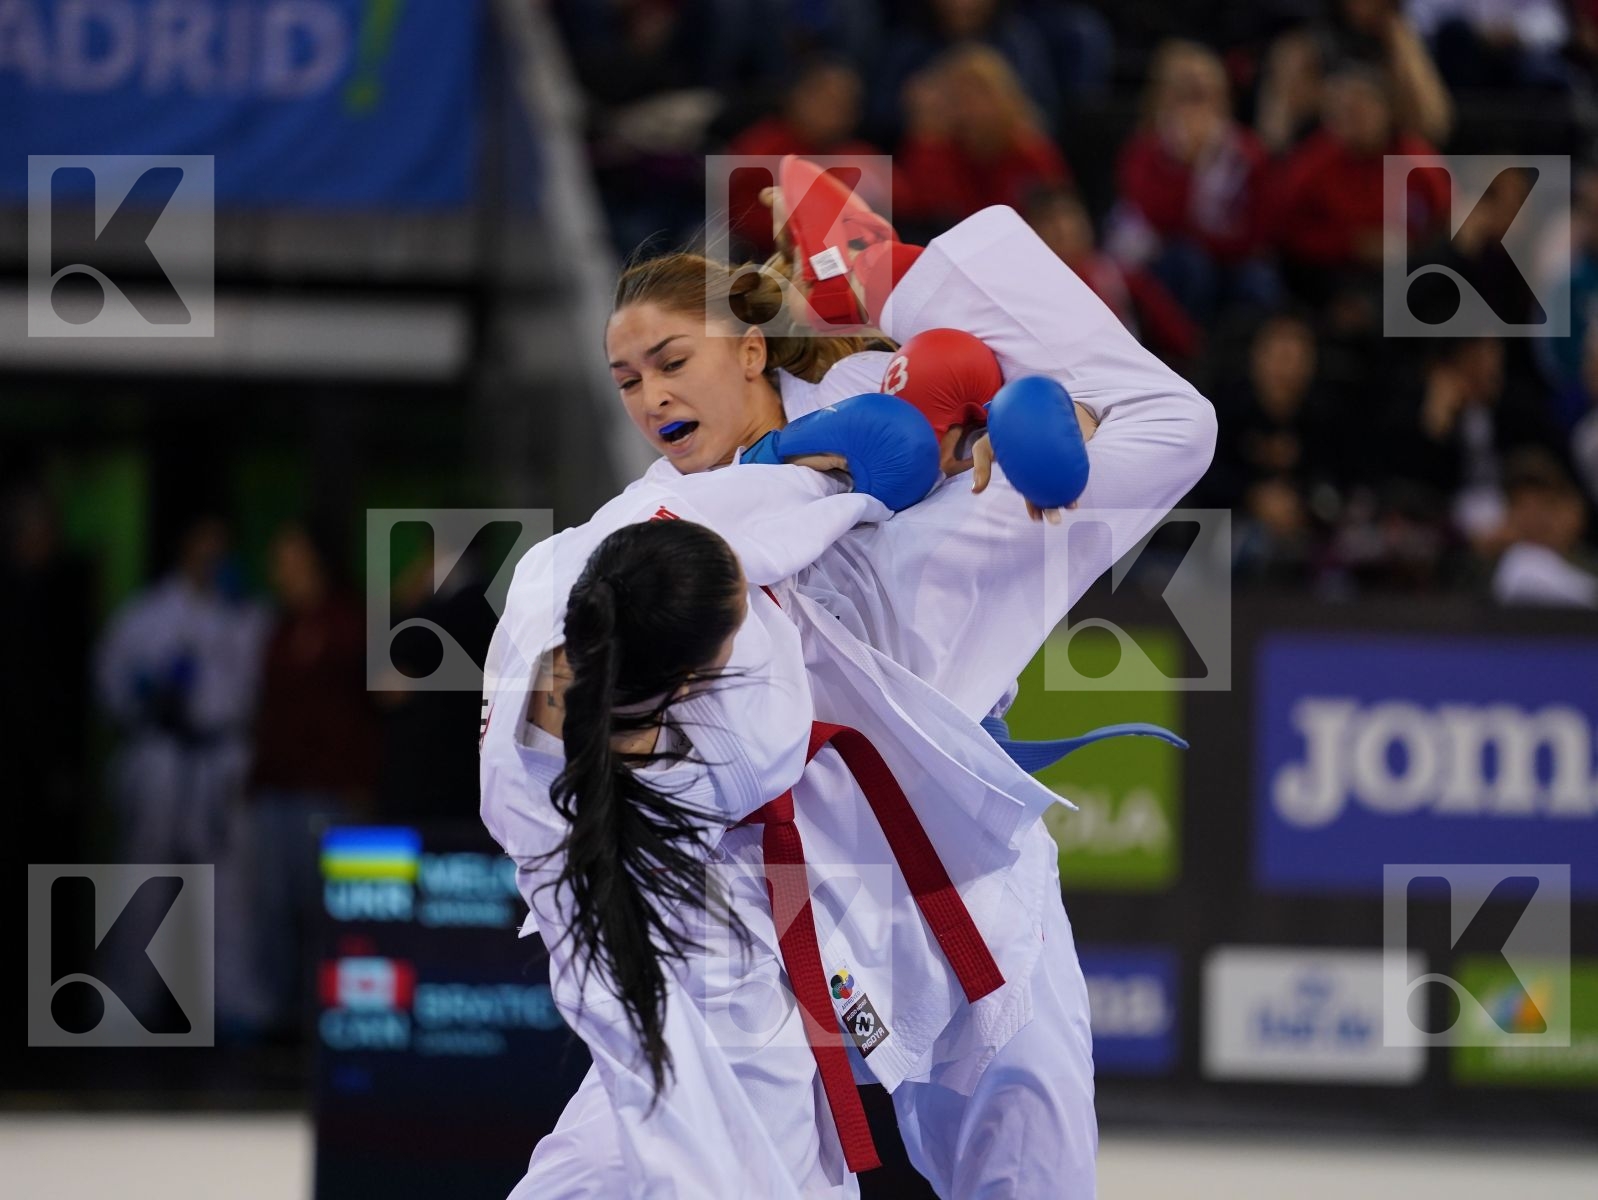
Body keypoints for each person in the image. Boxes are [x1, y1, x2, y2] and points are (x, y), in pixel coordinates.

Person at [492, 169, 1215, 1195]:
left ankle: (903, 268)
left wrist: (1028, 413)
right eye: (625, 379)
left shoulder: (886, 411)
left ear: (748, 348)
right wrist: (797, 465)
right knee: (631, 1160)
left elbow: (1149, 425)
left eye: (668, 361)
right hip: (782, 880)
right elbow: (559, 657)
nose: (650, 394)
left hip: (968, 838)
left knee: (1032, 1164)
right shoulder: (632, 533)